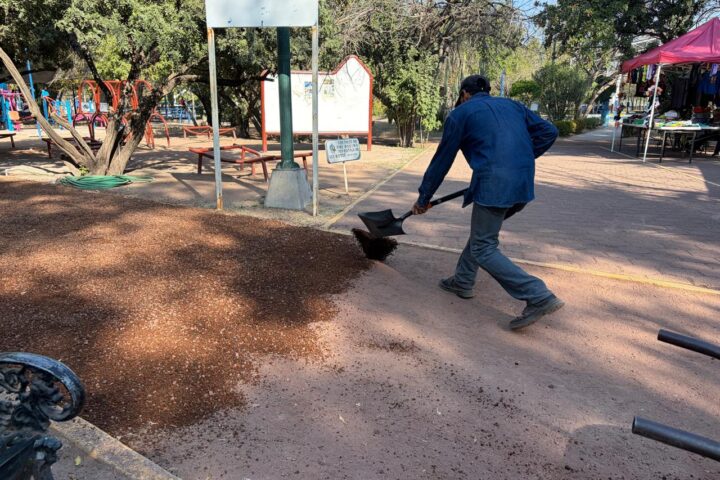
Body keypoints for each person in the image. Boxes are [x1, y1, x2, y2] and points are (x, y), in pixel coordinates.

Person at [413, 75, 564, 331]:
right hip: (522, 182)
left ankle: (538, 295)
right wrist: (520, 159)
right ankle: (463, 281)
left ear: (464, 93)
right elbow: (550, 131)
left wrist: (423, 198)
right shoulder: (513, 105)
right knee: (482, 234)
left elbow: (442, 160)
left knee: (484, 247)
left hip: (495, 186)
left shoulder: (460, 114)